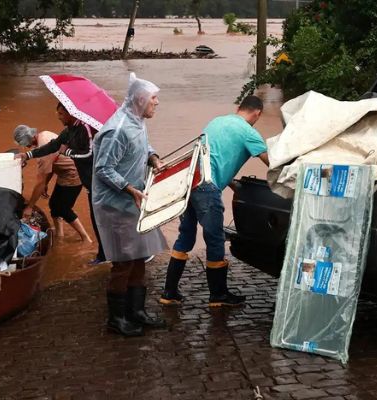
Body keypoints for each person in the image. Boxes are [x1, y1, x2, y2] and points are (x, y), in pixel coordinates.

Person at [159, 95, 270, 308]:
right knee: (216, 239)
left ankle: (169, 292)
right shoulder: (249, 132)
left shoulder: (216, 122)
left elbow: (212, 158)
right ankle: (218, 295)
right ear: (258, 113)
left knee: (186, 236)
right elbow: (270, 163)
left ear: (238, 107)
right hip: (208, 188)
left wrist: (231, 183)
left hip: (190, 182)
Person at [92, 72, 169, 337]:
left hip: (133, 199)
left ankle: (136, 312)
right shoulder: (117, 129)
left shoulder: (137, 121)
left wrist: (154, 158)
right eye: (154, 98)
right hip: (115, 204)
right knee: (123, 262)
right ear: (140, 100)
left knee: (139, 257)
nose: (157, 103)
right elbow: (103, 168)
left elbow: (143, 146)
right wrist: (129, 189)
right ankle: (116, 319)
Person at [16, 103, 107, 264]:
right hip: (82, 179)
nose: (58, 116)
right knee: (58, 206)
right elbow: (54, 147)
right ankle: (63, 238)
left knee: (64, 208)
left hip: (81, 177)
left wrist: (30, 206)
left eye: (61, 113)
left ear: (71, 113)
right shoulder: (67, 131)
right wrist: (28, 155)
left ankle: (92, 245)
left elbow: (88, 154)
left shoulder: (83, 130)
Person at [13, 124, 92, 242]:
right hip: (66, 173)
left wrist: (29, 207)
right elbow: (51, 166)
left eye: (25, 143)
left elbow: (40, 182)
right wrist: (46, 184)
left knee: (63, 209)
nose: (27, 147)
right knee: (54, 205)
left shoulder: (43, 149)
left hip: (73, 175)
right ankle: (60, 235)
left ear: (30, 138)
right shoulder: (44, 134)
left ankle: (86, 238)